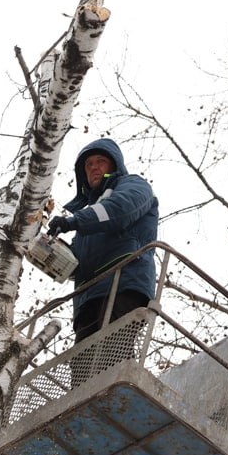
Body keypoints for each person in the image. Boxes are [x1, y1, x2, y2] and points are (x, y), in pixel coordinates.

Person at [48, 138, 159, 344]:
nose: (94, 167)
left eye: (101, 161)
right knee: (82, 363)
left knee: (111, 353)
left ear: (114, 165)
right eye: (89, 164)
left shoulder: (133, 185)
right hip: (87, 300)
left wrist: (72, 222)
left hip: (123, 285)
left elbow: (120, 211)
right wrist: (49, 253)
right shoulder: (88, 218)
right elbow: (77, 264)